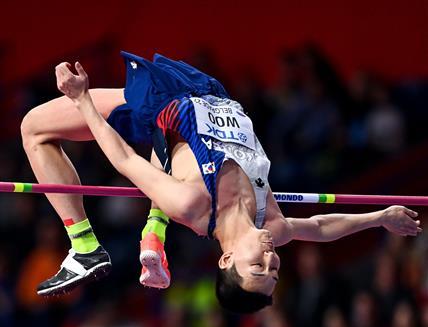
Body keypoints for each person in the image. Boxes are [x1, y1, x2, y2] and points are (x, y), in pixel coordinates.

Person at [21, 52, 422, 313]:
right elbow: (319, 227)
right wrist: (378, 217)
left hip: (162, 103)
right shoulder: (272, 225)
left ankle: (87, 245)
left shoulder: (193, 205)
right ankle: (151, 233)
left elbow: (124, 159)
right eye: (275, 271)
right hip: (212, 93)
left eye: (257, 268)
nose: (271, 261)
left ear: (226, 260)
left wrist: (82, 99)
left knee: (33, 128)